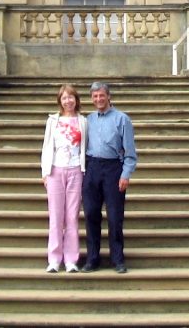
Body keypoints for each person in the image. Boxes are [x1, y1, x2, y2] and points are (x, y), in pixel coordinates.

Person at [81, 81, 137, 274]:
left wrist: (125, 174)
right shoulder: (88, 120)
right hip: (92, 168)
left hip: (113, 168)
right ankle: (92, 259)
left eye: (101, 95)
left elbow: (130, 152)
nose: (98, 99)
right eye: (95, 96)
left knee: (114, 217)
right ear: (91, 99)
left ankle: (118, 259)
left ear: (108, 96)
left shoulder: (122, 119)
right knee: (91, 214)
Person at [40, 84, 87, 273]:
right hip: (55, 170)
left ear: (76, 99)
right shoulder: (53, 120)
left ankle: (71, 260)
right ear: (60, 101)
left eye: (71, 97)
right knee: (56, 216)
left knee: (72, 217)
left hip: (76, 170)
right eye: (64, 98)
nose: (68, 101)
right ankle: (54, 259)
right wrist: (45, 172)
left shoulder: (83, 121)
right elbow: (47, 147)